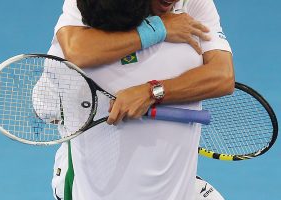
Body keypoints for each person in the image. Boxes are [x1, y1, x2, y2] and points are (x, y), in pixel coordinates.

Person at [44, 0, 234, 199]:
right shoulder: (89, 7)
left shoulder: (193, 4)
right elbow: (78, 52)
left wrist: (150, 93)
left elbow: (223, 76)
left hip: (176, 184)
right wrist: (159, 28)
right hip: (97, 185)